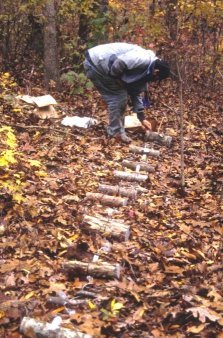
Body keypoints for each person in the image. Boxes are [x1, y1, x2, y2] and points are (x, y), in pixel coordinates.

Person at [84, 42, 170, 143]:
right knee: (119, 97)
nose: (154, 79)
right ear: (156, 72)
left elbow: (136, 90)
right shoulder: (144, 58)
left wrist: (141, 118)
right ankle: (115, 133)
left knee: (121, 96)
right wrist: (117, 79)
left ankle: (118, 131)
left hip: (100, 64)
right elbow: (120, 63)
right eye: (156, 78)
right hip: (96, 63)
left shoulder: (147, 68)